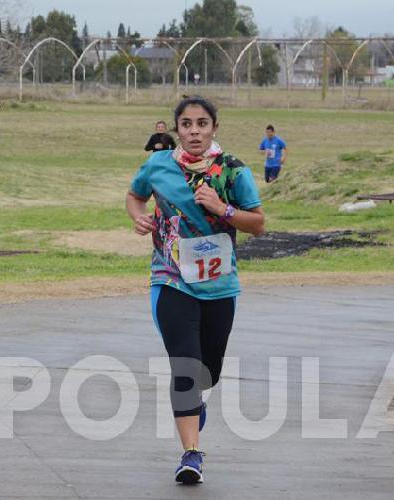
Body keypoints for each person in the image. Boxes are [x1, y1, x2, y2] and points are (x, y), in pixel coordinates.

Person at [125, 95, 266, 485]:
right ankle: (191, 454)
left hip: (220, 287)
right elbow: (135, 194)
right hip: (170, 280)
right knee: (185, 367)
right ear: (177, 130)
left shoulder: (233, 171)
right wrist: (139, 217)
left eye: (202, 124)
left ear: (214, 128)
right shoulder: (158, 165)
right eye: (186, 124)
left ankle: (195, 403)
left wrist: (223, 209)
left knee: (208, 373)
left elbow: (258, 224)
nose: (194, 131)